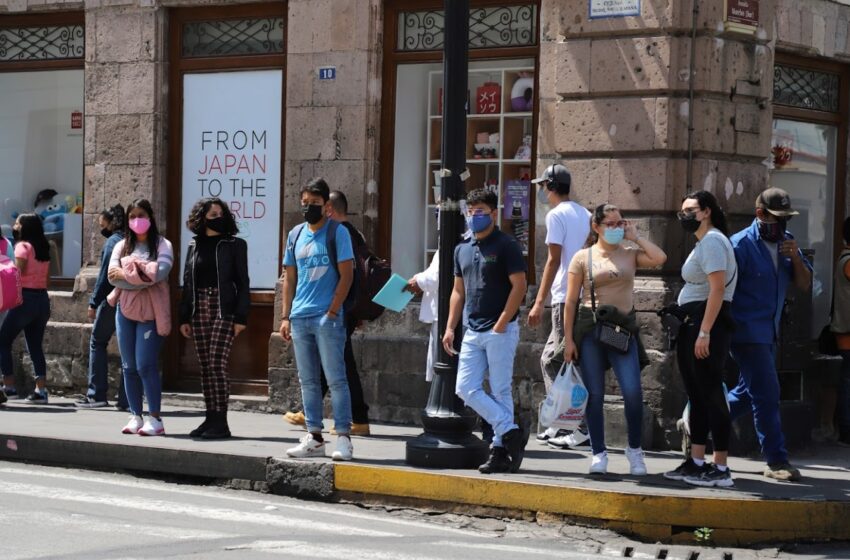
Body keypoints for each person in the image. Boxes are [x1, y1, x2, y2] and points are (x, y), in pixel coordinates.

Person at [562, 204, 667, 475]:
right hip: (592, 331)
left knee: (632, 392)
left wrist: (636, 236)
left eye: (620, 223)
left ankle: (634, 450)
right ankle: (598, 452)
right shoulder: (583, 257)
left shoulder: (630, 254)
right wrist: (569, 340)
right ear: (596, 227)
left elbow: (659, 258)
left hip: (622, 331)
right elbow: (571, 301)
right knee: (594, 395)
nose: (616, 228)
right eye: (610, 224)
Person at [727, 187, 812, 481]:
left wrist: (797, 260)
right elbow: (721, 290)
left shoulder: (788, 243)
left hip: (771, 332)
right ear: (760, 214)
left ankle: (697, 419)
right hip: (745, 332)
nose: (782, 224)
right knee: (767, 393)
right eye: (777, 218)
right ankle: (776, 460)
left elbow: (804, 284)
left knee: (746, 394)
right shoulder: (739, 245)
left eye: (786, 219)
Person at [443, 188, 528, 474]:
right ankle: (510, 429)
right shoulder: (462, 249)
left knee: (501, 389)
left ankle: (500, 451)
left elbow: (520, 285)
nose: (474, 216)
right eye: (471, 210)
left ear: (493, 213)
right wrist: (450, 327)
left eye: (480, 211)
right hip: (472, 328)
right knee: (465, 388)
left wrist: (503, 321)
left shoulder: (506, 245)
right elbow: (458, 292)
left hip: (500, 330)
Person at [664, 191, 737, 488]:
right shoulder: (704, 243)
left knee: (711, 393)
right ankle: (696, 461)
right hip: (692, 324)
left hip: (706, 325)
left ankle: (720, 467)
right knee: (697, 395)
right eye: (682, 210)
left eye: (690, 210)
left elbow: (717, 289)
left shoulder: (713, 242)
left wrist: (705, 331)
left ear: (706, 211)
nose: (685, 215)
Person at [282, 190, 371, 436]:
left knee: (339, 369)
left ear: (328, 207)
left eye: (315, 204)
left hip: (336, 309)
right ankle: (327, 417)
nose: (309, 208)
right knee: (334, 365)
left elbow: (349, 275)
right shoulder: (352, 233)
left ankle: (354, 420)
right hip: (332, 309)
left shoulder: (341, 233)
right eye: (305, 203)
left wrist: (333, 310)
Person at [527, 163, 592, 448]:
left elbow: (553, 260)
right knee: (560, 360)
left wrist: (539, 301)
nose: (542, 191)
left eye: (543, 186)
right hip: (578, 293)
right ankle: (560, 422)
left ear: (550, 187)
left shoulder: (556, 215)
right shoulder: (585, 213)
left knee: (557, 360)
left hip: (564, 295)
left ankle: (576, 423)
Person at [179, 198, 249, 439]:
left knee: (217, 362)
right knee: (206, 366)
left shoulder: (235, 245)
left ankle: (221, 421)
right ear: (202, 218)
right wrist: (184, 316)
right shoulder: (194, 245)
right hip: (199, 307)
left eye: (221, 213)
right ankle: (210, 417)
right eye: (212, 214)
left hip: (224, 307)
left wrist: (241, 317)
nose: (218, 217)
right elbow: (188, 281)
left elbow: (243, 282)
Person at [108, 199, 173, 436]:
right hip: (124, 312)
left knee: (146, 365)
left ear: (151, 216)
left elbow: (160, 273)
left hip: (151, 314)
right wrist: (142, 272)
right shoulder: (121, 246)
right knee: (129, 366)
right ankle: (135, 414)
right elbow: (111, 277)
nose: (137, 220)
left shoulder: (163, 244)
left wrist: (128, 273)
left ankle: (154, 418)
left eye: (141, 214)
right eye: (132, 216)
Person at [76, 205, 129, 410]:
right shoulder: (133, 242)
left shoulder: (112, 243)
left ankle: (96, 394)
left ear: (110, 221)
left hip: (111, 301)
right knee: (128, 349)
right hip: (132, 301)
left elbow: (104, 276)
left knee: (97, 342)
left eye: (102, 223)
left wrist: (93, 302)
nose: (101, 226)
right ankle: (126, 398)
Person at [0, 214, 51, 403]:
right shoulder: (44, 248)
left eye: (17, 223)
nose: (14, 226)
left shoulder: (22, 247)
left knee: (3, 341)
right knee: (35, 346)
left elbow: (16, 274)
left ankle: (9, 386)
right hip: (42, 299)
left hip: (25, 300)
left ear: (25, 227)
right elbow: (48, 280)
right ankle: (41, 391)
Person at [832, 217, 850, 447]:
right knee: (847, 383)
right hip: (847, 333)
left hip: (844, 331)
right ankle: (846, 429)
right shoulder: (848, 260)